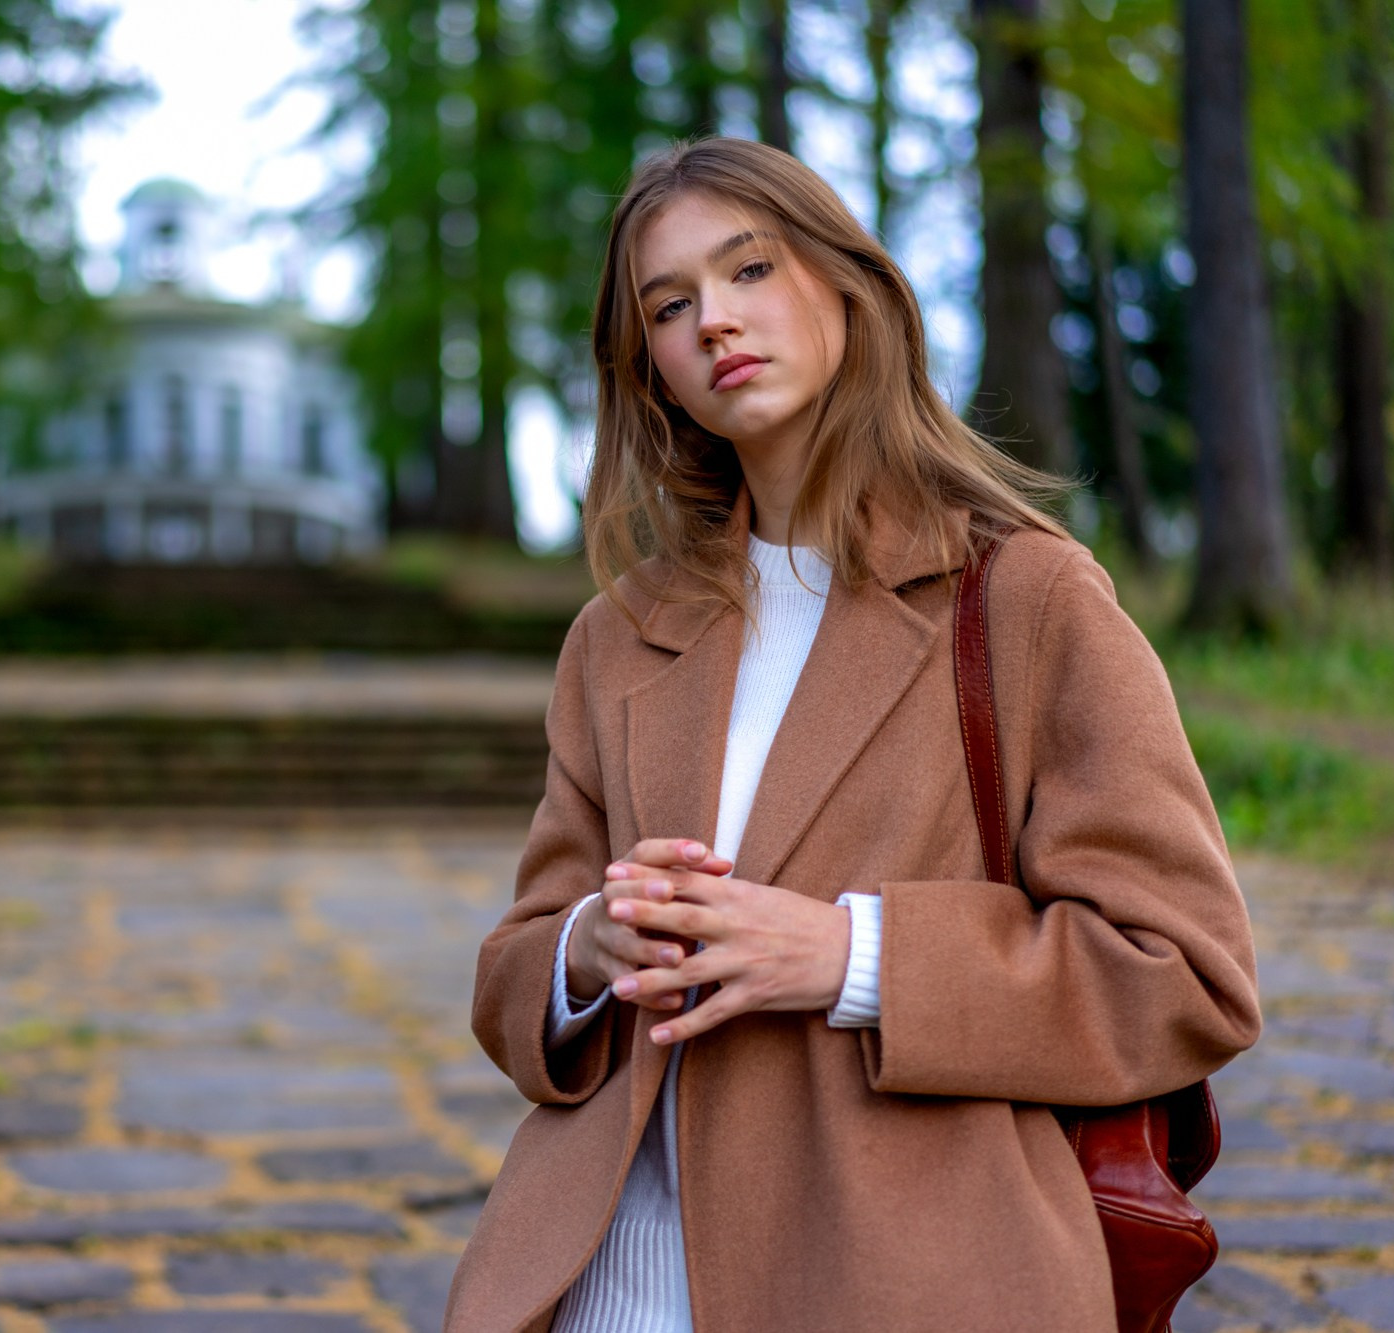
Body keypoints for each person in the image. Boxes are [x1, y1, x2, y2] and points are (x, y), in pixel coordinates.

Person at [444, 137, 1261, 1332]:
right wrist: (586, 949)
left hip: (905, 1271)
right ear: (650, 370)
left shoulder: (1025, 599)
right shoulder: (615, 637)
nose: (712, 321)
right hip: (601, 1278)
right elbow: (516, 967)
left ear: (847, 287)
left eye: (750, 270)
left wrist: (849, 959)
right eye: (667, 306)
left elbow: (1183, 977)